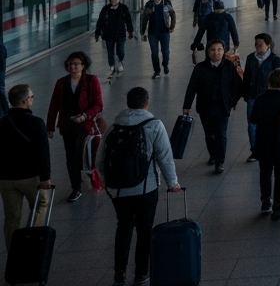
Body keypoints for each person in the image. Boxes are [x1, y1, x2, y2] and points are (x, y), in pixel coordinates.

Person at [97, 86, 180, 286]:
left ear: (128, 104)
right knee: (145, 230)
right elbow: (164, 157)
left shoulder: (113, 128)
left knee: (123, 227)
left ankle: (120, 272)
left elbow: (100, 161)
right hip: (146, 187)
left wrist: (109, 185)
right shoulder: (154, 125)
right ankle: (142, 274)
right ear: (146, 103)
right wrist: (173, 183)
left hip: (118, 190)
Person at [45, 51, 103, 202]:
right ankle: (76, 187)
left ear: (83, 66)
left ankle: (91, 178)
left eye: (77, 63)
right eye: (70, 64)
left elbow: (98, 104)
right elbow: (54, 105)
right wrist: (50, 126)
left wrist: (85, 115)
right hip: (68, 126)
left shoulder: (91, 80)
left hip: (86, 125)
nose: (73, 67)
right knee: (71, 156)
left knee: (84, 154)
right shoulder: (61, 82)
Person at [0, 84, 52, 252]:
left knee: (12, 218)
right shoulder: (36, 122)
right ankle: (34, 245)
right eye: (32, 96)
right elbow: (43, 152)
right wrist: (45, 177)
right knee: (40, 206)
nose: (32, 99)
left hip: (6, 180)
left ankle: (13, 255)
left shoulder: (2, 123)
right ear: (25, 100)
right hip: (32, 177)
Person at [182, 40, 242, 174]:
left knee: (221, 133)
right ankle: (213, 154)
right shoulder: (200, 68)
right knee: (209, 134)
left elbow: (237, 85)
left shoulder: (228, 66)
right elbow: (192, 87)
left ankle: (220, 161)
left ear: (223, 51)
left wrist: (233, 101)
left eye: (219, 49)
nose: (216, 52)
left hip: (223, 106)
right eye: (213, 50)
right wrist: (187, 106)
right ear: (208, 51)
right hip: (205, 106)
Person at [249, 68, 280, 218]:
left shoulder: (260, 98)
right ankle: (279, 204)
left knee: (265, 172)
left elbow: (253, 119)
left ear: (269, 81)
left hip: (264, 142)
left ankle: (265, 201)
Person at [242, 34, 280, 163]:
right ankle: (255, 151)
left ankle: (270, 148)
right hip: (253, 95)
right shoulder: (251, 58)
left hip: (269, 96)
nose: (257, 47)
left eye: (260, 44)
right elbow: (247, 76)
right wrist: (246, 93)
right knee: (252, 124)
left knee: (270, 123)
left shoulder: (274, 60)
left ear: (268, 45)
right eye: (256, 44)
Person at [95, 0, 135, 76]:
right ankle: (111, 65)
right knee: (110, 51)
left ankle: (120, 60)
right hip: (108, 34)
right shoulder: (105, 9)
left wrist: (130, 31)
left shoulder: (123, 8)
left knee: (120, 50)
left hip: (120, 34)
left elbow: (128, 20)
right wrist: (97, 32)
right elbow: (100, 21)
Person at [140, 0, 176, 79]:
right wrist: (142, 32)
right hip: (153, 33)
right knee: (154, 53)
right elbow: (144, 19)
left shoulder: (167, 3)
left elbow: (173, 14)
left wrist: (172, 26)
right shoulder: (149, 4)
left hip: (164, 32)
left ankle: (165, 64)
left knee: (165, 52)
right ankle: (157, 71)